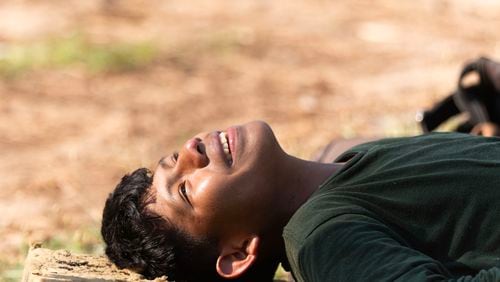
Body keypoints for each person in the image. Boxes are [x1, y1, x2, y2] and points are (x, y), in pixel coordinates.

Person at [101, 120, 500, 281]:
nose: (192, 149)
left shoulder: (354, 159)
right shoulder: (323, 239)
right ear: (239, 253)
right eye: (186, 189)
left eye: (175, 159)